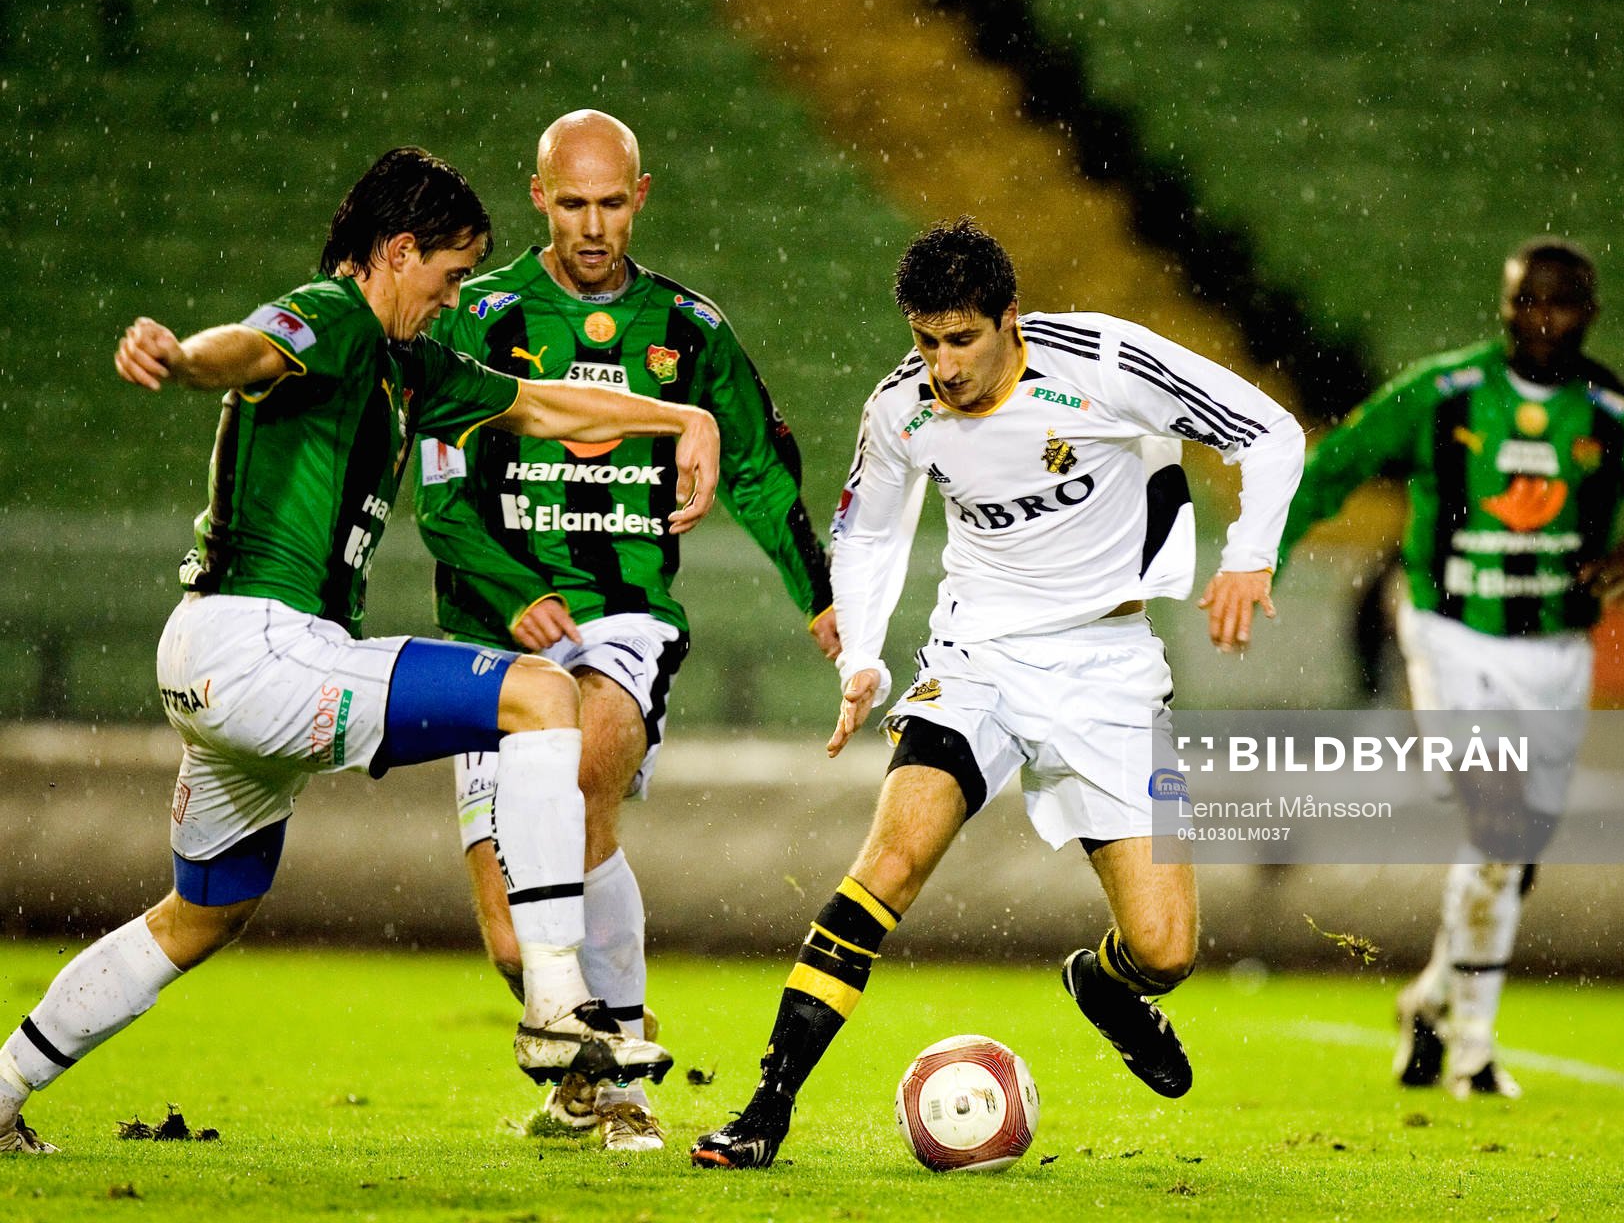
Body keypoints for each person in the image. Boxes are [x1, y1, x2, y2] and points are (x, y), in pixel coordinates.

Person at [0, 147, 723, 1155]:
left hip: (223, 666)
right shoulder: (334, 314)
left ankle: (0, 1089)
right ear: (396, 251)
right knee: (541, 698)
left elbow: (542, 404)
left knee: (204, 912)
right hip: (258, 642)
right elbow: (252, 350)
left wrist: (681, 413)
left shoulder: (406, 364)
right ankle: (560, 997)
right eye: (451, 271)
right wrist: (183, 357)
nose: (454, 294)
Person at [691, 217, 1306, 1169]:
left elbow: (1270, 432)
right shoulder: (901, 408)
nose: (942, 365)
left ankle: (1104, 985)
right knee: (890, 863)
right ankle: (766, 1106)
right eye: (925, 340)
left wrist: (1251, 557)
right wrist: (863, 656)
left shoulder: (1103, 362)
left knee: (1168, 951)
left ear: (1010, 320)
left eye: (962, 339)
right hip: (975, 657)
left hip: (1111, 670)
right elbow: (870, 534)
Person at [416, 110, 837, 1152]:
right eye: (573, 203)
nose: (594, 225)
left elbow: (757, 470)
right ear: (538, 196)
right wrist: (512, 587)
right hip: (494, 631)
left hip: (622, 622)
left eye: (612, 202)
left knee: (580, 774)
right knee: (519, 942)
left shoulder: (691, 331)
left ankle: (631, 1080)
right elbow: (437, 495)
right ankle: (582, 1074)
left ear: (640, 197)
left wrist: (824, 600)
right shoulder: (479, 317)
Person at [1274, 237, 1624, 1098]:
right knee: (1497, 821)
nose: (1541, 319)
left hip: (1556, 653)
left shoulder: (1614, 416)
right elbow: (1337, 463)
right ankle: (1474, 1053)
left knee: (1514, 856)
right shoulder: (1445, 392)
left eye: (1559, 304)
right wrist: (1262, 556)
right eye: (1526, 301)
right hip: (1449, 634)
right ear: (1504, 305)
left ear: (1590, 312)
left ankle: (1429, 1001)